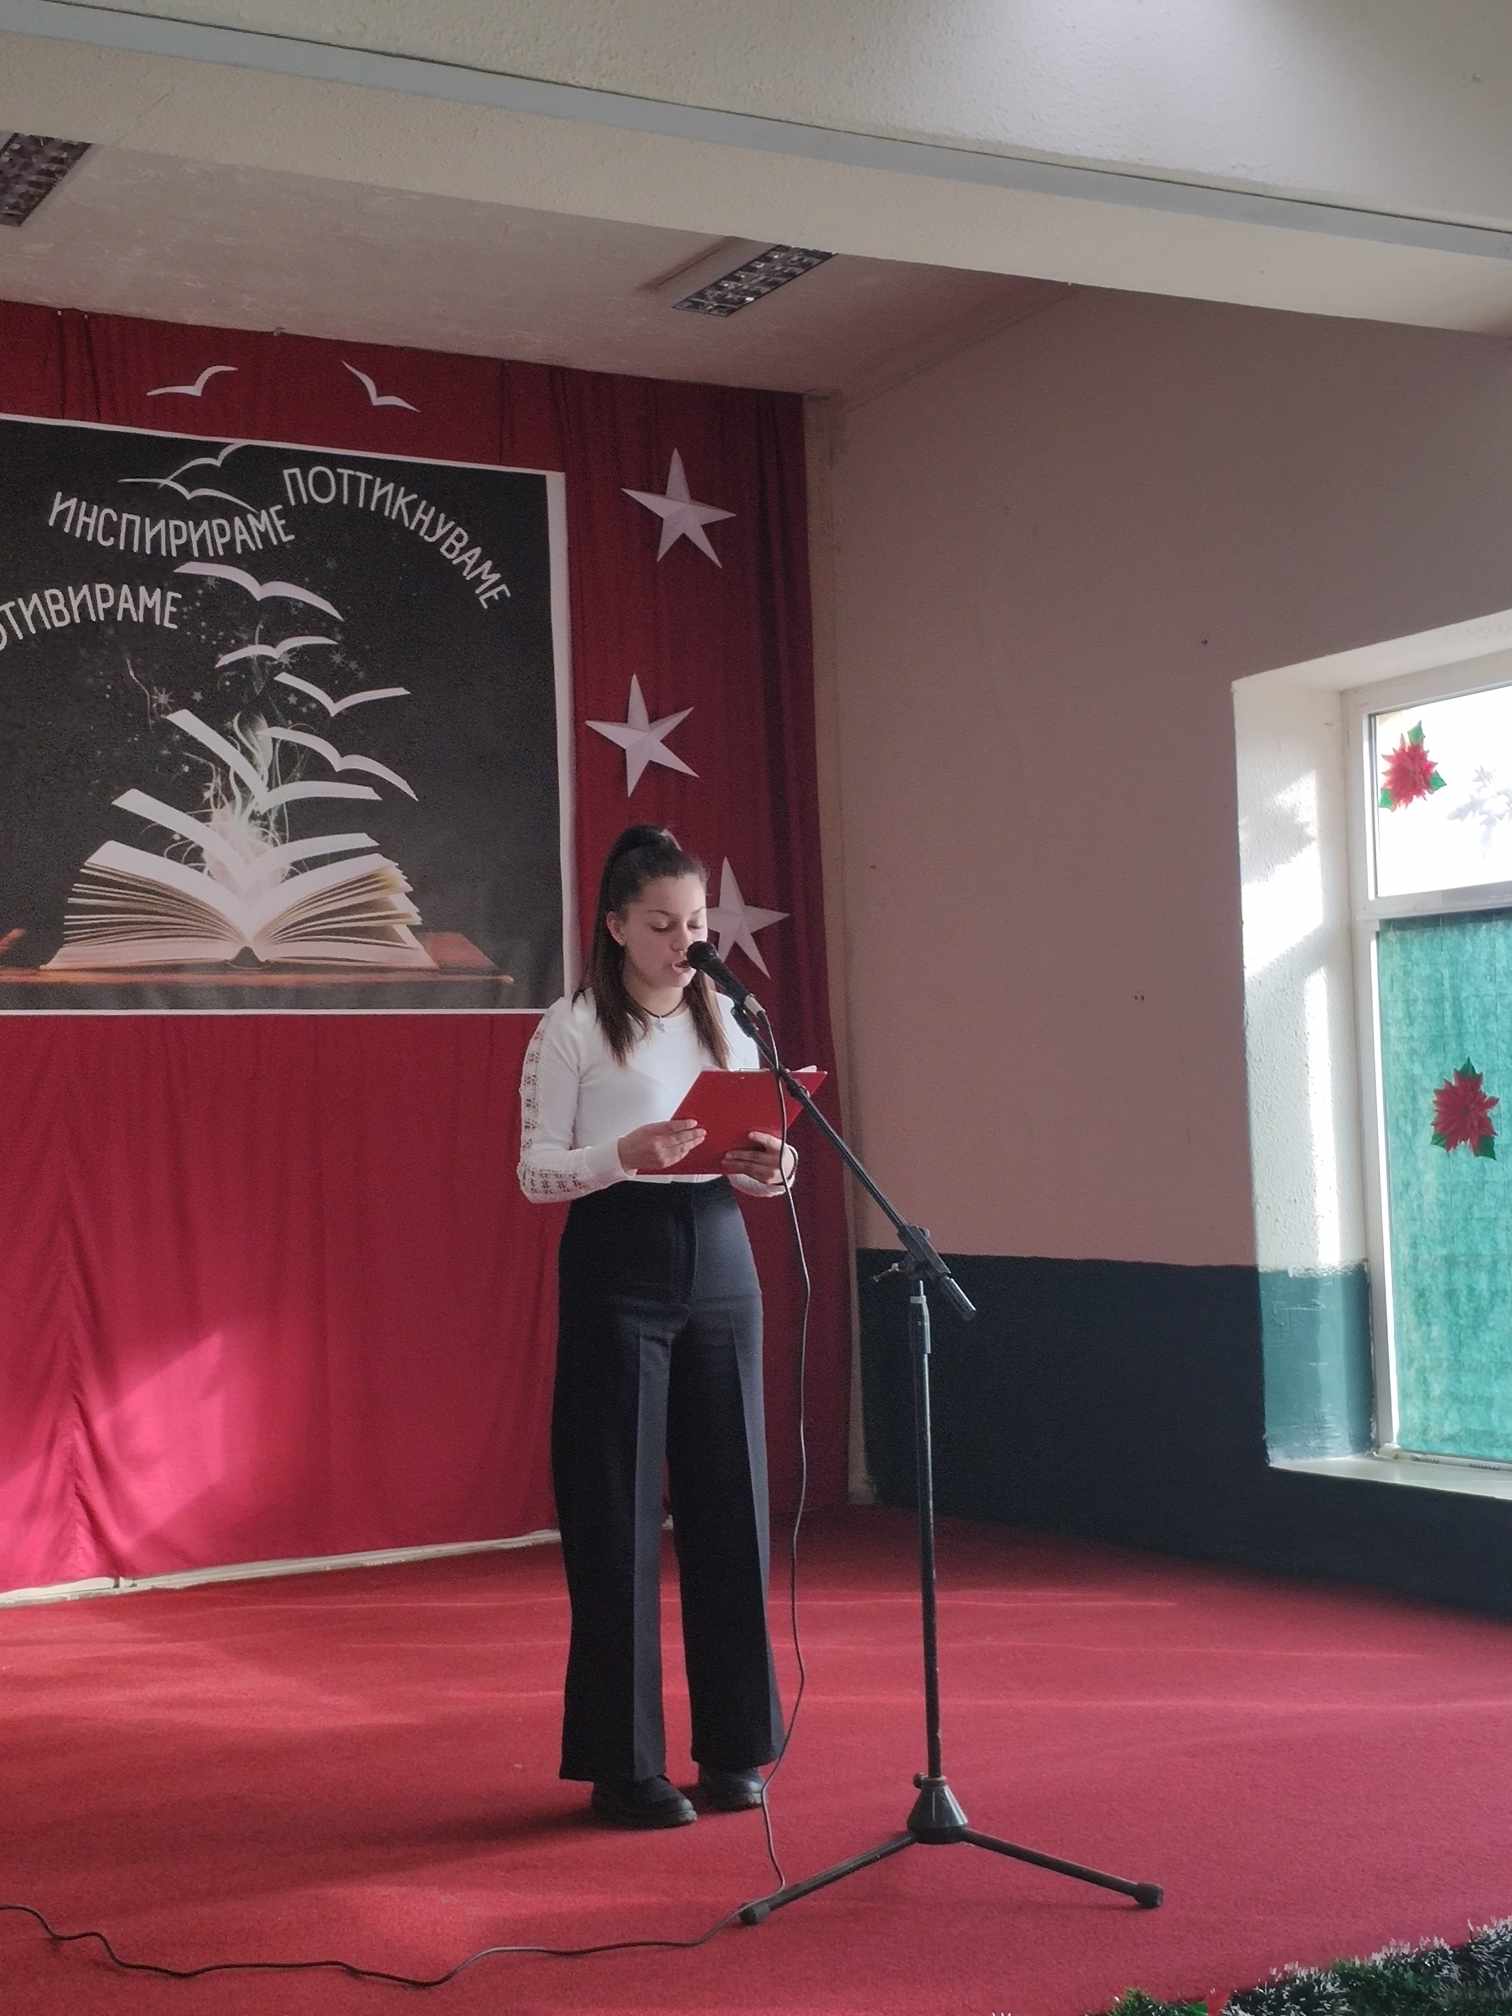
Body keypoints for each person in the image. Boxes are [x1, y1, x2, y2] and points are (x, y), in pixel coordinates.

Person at [517, 824, 796, 1829]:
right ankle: (624, 1767)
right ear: (615, 927)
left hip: (719, 1255)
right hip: (617, 1261)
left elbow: (754, 1154)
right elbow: (535, 1171)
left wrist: (774, 1168)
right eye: (663, 925)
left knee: (732, 1505)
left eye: (696, 924)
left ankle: (735, 1748)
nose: (686, 943)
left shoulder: (729, 1015)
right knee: (618, 1515)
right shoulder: (572, 1028)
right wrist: (619, 1154)